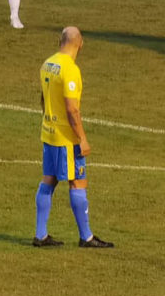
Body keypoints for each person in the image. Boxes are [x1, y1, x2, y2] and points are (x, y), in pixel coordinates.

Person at [34, 27, 113, 248]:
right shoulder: (70, 70)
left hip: (48, 132)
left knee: (48, 180)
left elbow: (42, 98)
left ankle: (40, 235)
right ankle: (86, 237)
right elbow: (72, 110)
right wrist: (82, 138)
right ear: (80, 43)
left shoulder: (47, 64)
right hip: (66, 138)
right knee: (78, 182)